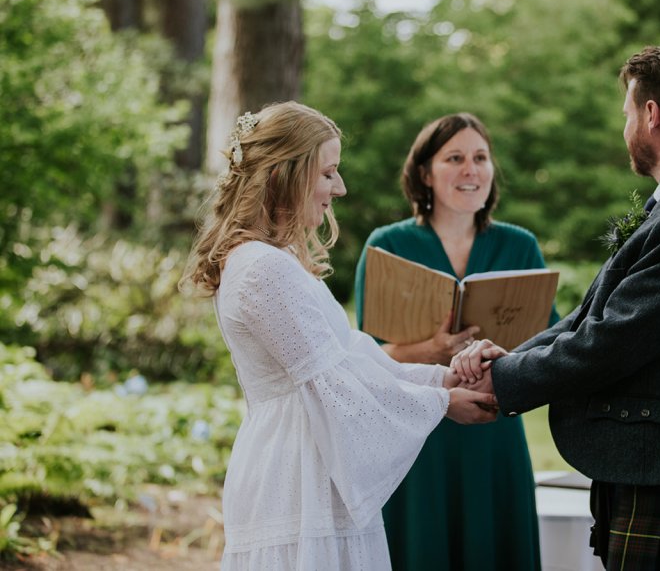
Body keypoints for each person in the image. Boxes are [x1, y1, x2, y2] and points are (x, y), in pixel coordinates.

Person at [453, 45, 660, 570]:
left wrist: (503, 381)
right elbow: (591, 316)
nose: (625, 129)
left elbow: (614, 339)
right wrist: (505, 361)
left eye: (627, 114)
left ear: (651, 115)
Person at [178, 101, 497, 571]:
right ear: (283, 175)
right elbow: (333, 386)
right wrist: (442, 405)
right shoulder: (262, 268)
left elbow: (350, 358)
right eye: (328, 173)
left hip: (310, 463)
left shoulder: (275, 258)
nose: (340, 188)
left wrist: (440, 381)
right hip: (296, 475)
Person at [352, 112, 556, 571]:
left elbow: (547, 342)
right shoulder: (386, 246)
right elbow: (365, 358)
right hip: (418, 436)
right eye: (455, 158)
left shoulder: (519, 245)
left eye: (480, 158)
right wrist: (436, 349)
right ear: (425, 173)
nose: (471, 170)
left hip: (494, 430)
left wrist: (498, 355)